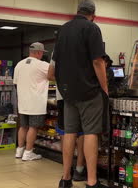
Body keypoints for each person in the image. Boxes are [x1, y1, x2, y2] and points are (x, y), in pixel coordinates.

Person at [53, 0, 108, 188]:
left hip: (68, 93)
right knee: (91, 133)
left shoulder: (63, 29)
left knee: (69, 132)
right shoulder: (92, 28)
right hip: (89, 92)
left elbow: (56, 63)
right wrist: (105, 89)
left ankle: (65, 179)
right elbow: (98, 62)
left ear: (77, 11)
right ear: (93, 15)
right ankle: (92, 182)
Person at [48, 53, 87, 182]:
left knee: (66, 132)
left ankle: (67, 170)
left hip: (61, 96)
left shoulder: (56, 50)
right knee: (81, 133)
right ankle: (79, 169)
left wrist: (63, 83)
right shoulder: (82, 44)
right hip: (79, 96)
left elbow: (50, 75)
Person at [13, 42, 50, 161]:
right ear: (39, 52)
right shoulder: (42, 64)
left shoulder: (19, 64)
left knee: (23, 126)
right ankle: (28, 153)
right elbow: (55, 76)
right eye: (42, 53)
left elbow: (15, 83)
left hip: (23, 102)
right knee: (33, 127)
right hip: (36, 102)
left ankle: (19, 151)